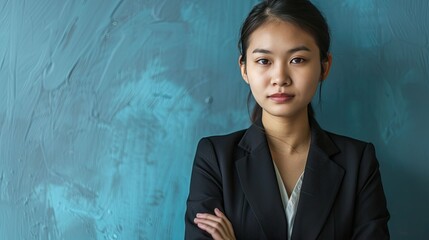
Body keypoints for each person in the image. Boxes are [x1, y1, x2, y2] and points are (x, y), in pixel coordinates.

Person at [185, 0, 390, 239]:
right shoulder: (215, 159)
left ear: (324, 67)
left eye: (298, 60)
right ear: (244, 69)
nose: (280, 77)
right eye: (264, 61)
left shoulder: (359, 163)